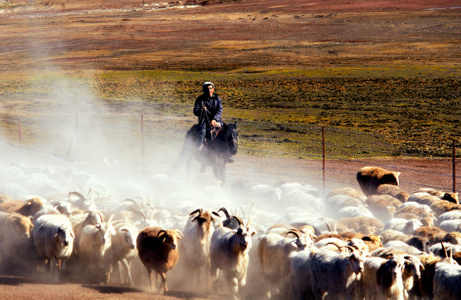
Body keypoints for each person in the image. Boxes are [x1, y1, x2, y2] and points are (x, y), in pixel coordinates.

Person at [193, 81, 233, 162]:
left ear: (213, 89)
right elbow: (195, 111)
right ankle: (199, 150)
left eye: (210, 88)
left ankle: (228, 153)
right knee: (203, 132)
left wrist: (214, 119)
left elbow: (219, 110)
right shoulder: (200, 99)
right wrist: (201, 110)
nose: (209, 90)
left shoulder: (217, 99)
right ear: (204, 90)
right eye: (207, 89)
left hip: (216, 120)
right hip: (204, 121)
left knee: (228, 131)